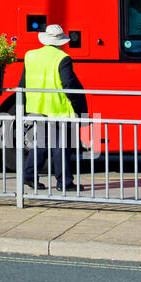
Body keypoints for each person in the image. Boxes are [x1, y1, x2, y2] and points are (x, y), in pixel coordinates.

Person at [19, 24, 87, 193]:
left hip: (36, 106)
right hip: (58, 108)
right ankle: (64, 182)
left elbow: (22, 83)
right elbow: (68, 84)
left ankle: (29, 176)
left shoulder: (30, 55)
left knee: (40, 144)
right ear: (61, 41)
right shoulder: (62, 58)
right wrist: (77, 106)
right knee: (61, 146)